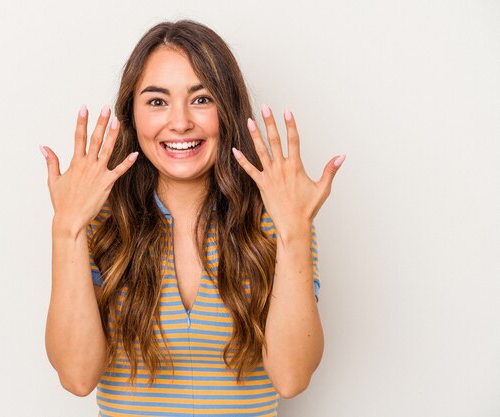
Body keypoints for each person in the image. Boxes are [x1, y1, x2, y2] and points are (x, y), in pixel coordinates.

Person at [41, 19, 345, 417]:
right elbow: (77, 377)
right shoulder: (99, 221)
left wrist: (295, 233)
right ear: (132, 117)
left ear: (228, 110)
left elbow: (291, 377)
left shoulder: (277, 217)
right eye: (157, 101)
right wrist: (66, 229)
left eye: (202, 99)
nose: (181, 121)